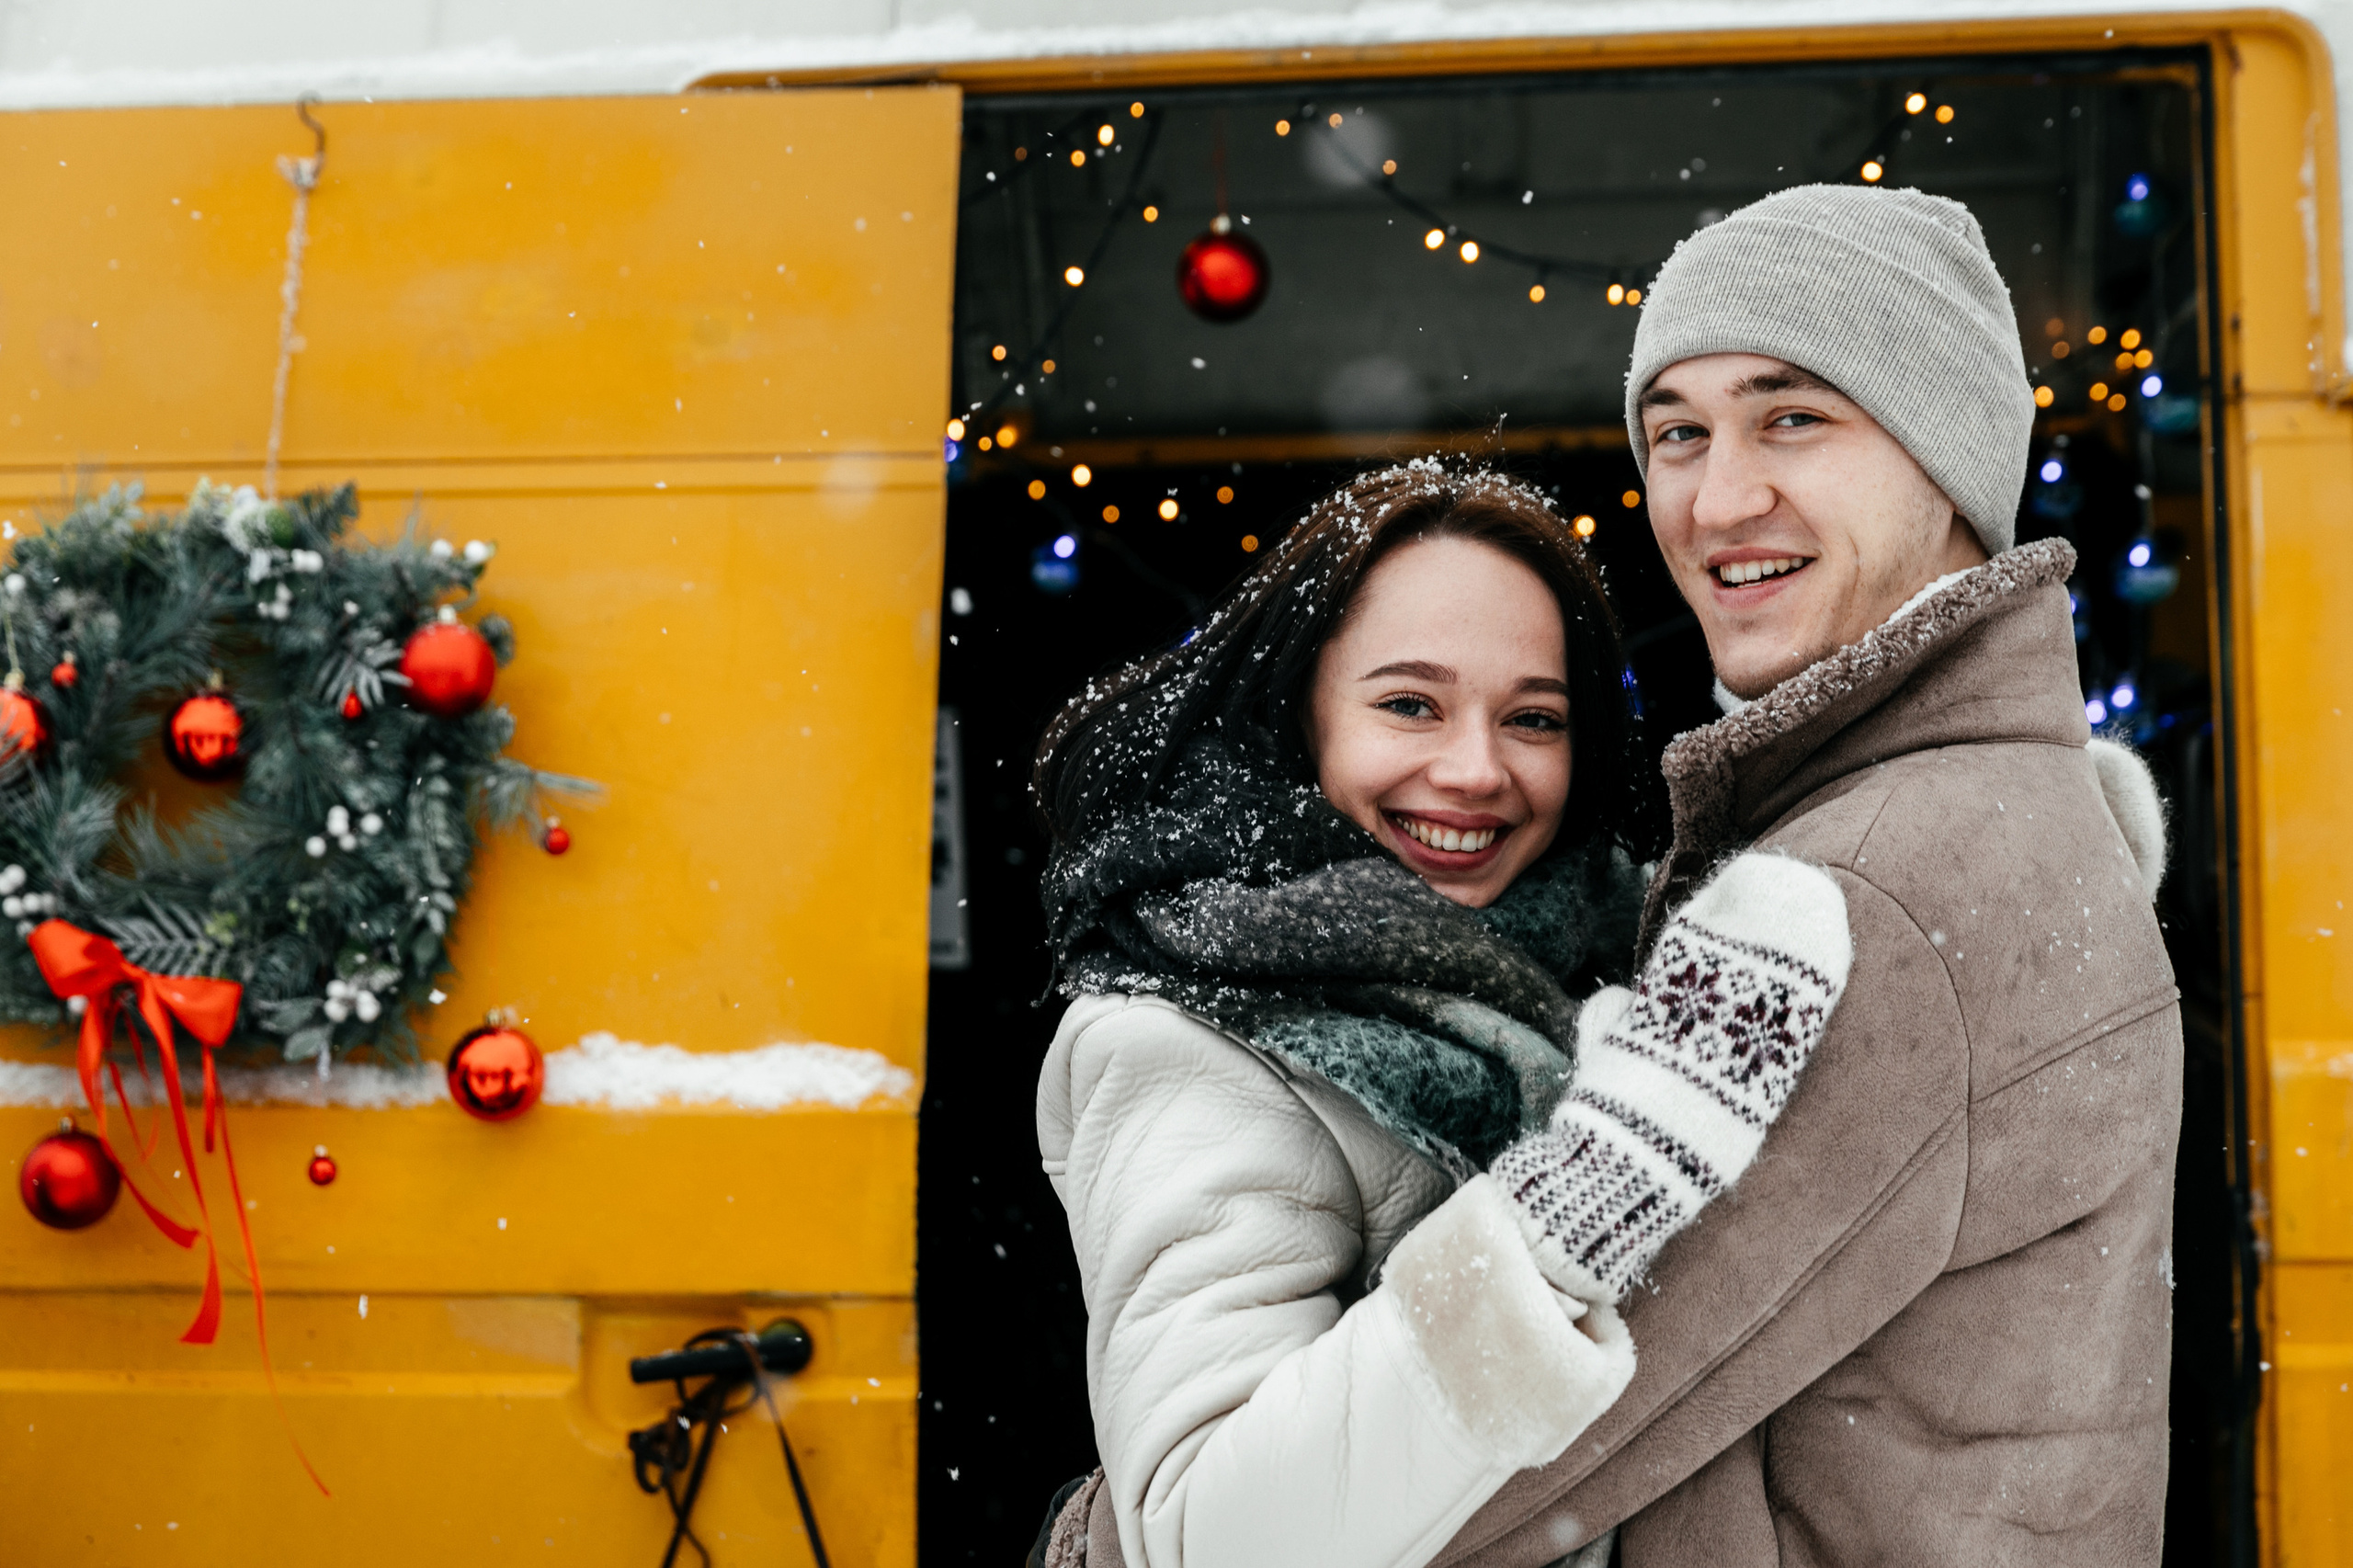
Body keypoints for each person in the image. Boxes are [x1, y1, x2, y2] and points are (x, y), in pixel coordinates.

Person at [1427, 186, 2181, 1565]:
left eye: (1793, 417)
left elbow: (1490, 1433)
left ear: (1945, 460)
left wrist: (1119, 1538)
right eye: (1678, 433)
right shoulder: (2001, 813)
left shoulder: (1867, 895)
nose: (1719, 500)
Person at [1028, 464, 1858, 1568]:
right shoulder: (1187, 1039)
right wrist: (1572, 1208)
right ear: (1299, 712)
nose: (1475, 769)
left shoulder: (1594, 956)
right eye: (1408, 702)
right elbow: (1204, 1536)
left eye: (1532, 717)